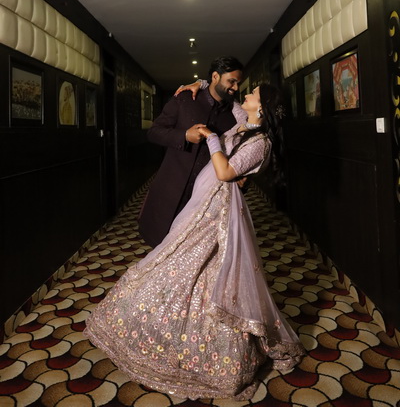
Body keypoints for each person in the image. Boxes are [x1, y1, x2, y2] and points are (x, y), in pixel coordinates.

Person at [84, 82, 305, 401]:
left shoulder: (261, 143)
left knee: (201, 264)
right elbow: (229, 98)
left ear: (262, 106)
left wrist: (213, 138)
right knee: (186, 261)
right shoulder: (244, 123)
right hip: (202, 203)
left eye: (252, 93)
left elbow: (225, 172)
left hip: (218, 211)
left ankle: (214, 349)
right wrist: (201, 83)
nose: (245, 94)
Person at [139, 56, 243, 247]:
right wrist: (184, 135)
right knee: (160, 243)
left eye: (238, 83)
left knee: (194, 250)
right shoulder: (185, 99)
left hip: (206, 197)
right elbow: (154, 132)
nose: (236, 88)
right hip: (171, 188)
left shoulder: (235, 116)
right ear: (215, 77)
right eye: (231, 81)